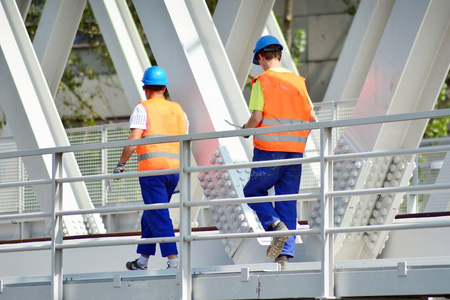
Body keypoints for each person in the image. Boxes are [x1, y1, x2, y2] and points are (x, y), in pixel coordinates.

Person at [242, 35, 317, 268]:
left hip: (269, 149)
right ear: (280, 55)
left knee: (253, 191)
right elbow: (312, 117)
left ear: (261, 57)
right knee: (286, 200)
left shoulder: (261, 81)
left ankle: (275, 225)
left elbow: (257, 117)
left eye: (260, 60)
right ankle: (284, 256)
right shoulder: (298, 82)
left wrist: (245, 130)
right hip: (295, 150)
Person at [114, 66, 188, 270]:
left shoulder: (143, 108)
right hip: (174, 171)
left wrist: (121, 164)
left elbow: (134, 140)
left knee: (158, 212)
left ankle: (174, 261)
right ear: (165, 88)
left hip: (152, 171)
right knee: (152, 213)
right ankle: (142, 260)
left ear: (145, 88)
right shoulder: (178, 110)